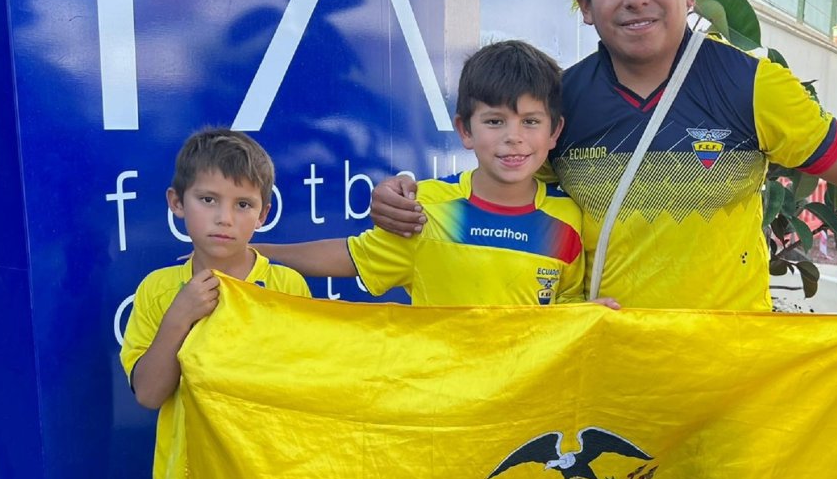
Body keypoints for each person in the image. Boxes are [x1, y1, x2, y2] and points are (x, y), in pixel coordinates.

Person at [371, 0, 837, 341]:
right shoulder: (562, 102)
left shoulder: (754, 87)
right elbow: (504, 194)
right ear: (586, 7)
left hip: (726, 364)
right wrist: (409, 197)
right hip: (603, 361)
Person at [257, 40, 618, 308]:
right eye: (495, 121)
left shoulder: (568, 220)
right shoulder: (425, 208)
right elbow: (352, 257)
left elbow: (567, 310)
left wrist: (587, 316)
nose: (514, 137)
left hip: (524, 409)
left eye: (531, 122)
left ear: (554, 132)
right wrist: (253, 253)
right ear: (465, 131)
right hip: (439, 407)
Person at [120, 128, 311, 479]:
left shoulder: (284, 286)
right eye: (208, 199)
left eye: (243, 205)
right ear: (177, 202)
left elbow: (305, 391)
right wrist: (179, 318)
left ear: (263, 214)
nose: (224, 218)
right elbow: (148, 394)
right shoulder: (158, 290)